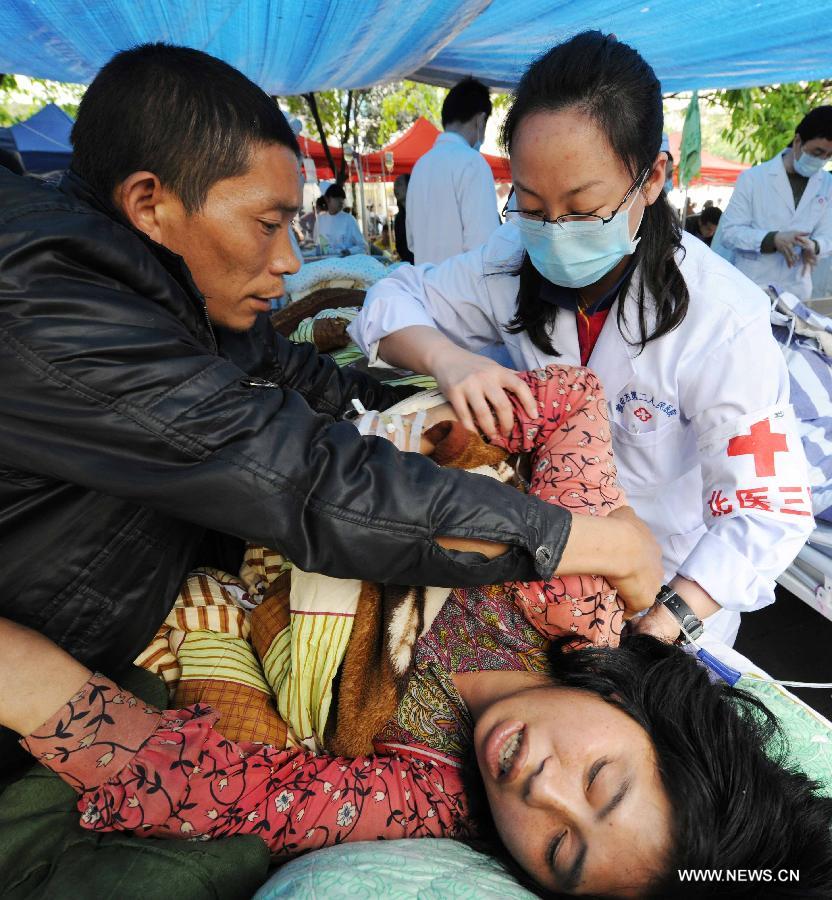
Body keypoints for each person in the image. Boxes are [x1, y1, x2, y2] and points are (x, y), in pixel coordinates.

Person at [0, 43, 664, 761]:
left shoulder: (186, 306)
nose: (290, 261)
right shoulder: (45, 302)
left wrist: (441, 422)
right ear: (149, 204)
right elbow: (302, 477)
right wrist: (582, 542)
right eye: (267, 223)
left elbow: (327, 391)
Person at [351, 31, 814, 648]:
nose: (554, 234)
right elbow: (389, 301)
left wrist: (671, 615)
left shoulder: (724, 320)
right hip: (541, 560)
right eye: (533, 206)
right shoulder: (507, 262)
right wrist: (449, 360)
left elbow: (766, 510)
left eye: (582, 207)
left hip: (666, 582)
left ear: (651, 179)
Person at [4, 608, 832, 898]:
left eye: (559, 847)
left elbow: (181, 779)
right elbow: (567, 396)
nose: (541, 791)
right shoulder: (574, 598)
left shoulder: (413, 799)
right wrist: (613, 548)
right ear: (652, 717)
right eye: (599, 781)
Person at [719, 106, 832, 299]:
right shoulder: (753, 178)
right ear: (797, 141)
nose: (821, 160)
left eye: (829, 156)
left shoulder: (827, 184)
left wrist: (815, 246)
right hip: (752, 286)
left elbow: (828, 234)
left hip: (796, 291)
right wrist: (772, 239)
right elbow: (729, 233)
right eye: (817, 152)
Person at [406, 77, 500, 265]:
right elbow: (484, 246)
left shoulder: (420, 166)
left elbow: (412, 243)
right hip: (465, 291)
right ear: (480, 120)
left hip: (425, 287)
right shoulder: (473, 162)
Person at [312, 183, 367, 255]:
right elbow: (318, 243)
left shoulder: (349, 219)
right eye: (337, 198)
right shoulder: (320, 220)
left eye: (342, 198)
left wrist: (349, 251)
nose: (341, 201)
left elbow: (362, 246)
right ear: (327, 199)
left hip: (346, 262)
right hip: (326, 262)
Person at [393, 172, 414, 263]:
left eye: (399, 184)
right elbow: (400, 246)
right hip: (409, 264)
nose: (395, 188)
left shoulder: (420, 213)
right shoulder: (399, 218)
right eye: (395, 185)